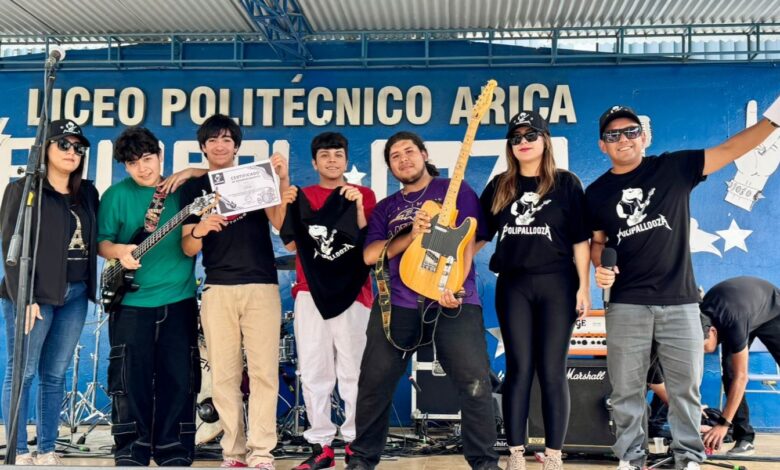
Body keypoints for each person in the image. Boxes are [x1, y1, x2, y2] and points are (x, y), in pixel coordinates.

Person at [587, 96, 780, 470]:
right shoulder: (595, 193)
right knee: (626, 390)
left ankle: (689, 459)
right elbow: (597, 242)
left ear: (644, 137)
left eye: (630, 131)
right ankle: (630, 459)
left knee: (685, 389)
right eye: (613, 135)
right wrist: (600, 267)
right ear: (602, 145)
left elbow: (730, 149)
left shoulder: (674, 168)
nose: (623, 139)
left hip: (681, 302)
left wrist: (773, 121)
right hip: (625, 304)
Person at [347, 131, 500, 470]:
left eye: (409, 151)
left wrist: (453, 281)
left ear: (424, 154)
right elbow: (371, 255)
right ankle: (362, 460)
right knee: (374, 382)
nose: (404, 159)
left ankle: (486, 463)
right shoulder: (387, 208)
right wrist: (410, 235)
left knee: (474, 382)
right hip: (398, 303)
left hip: (453, 299)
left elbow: (474, 238)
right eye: (395, 156)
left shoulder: (456, 189)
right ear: (390, 167)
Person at [478, 111, 591, 470]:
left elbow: (581, 240)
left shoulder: (566, 183)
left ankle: (554, 456)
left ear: (545, 139)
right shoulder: (500, 185)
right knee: (519, 368)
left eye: (531, 135)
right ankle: (515, 454)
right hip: (514, 285)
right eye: (516, 138)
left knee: (552, 370)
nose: (523, 142)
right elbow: (477, 236)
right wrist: (451, 271)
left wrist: (584, 288)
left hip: (559, 284)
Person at [179, 114, 289, 469]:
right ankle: (233, 453)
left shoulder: (254, 177)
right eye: (213, 139)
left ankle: (262, 452)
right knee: (224, 376)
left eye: (227, 139)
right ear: (203, 146)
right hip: (218, 289)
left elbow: (280, 222)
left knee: (263, 374)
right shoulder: (193, 189)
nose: (220, 145)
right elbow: (187, 247)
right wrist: (201, 228)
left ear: (237, 146)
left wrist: (281, 178)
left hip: (261, 286)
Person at [97, 126, 204, 466]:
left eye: (147, 159)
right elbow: (102, 243)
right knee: (130, 380)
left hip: (178, 298)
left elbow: (224, 178)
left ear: (160, 155)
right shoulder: (115, 196)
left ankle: (174, 450)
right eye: (132, 163)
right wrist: (120, 251)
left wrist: (193, 171)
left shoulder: (183, 190)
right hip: (131, 301)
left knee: (179, 379)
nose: (142, 168)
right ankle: (132, 449)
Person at [0, 119, 99, 465]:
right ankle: (17, 449)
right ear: (45, 149)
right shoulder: (22, 190)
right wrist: (24, 297)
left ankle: (46, 448)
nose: (73, 152)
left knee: (55, 374)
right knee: (23, 371)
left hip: (75, 295)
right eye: (64, 144)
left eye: (78, 147)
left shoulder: (87, 193)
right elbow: (11, 249)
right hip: (34, 296)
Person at [279, 132, 376, 469]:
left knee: (354, 370)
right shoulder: (301, 196)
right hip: (310, 292)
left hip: (354, 293)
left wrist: (358, 206)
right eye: (325, 155)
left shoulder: (362, 194)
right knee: (314, 370)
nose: (332, 160)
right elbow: (291, 245)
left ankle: (355, 442)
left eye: (337, 154)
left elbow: (369, 242)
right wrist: (285, 198)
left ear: (346, 160)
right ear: (314, 162)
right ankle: (321, 444)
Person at [700, 276, 780, 456]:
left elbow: (742, 377)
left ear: (713, 331)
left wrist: (723, 424)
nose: (703, 353)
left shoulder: (733, 322)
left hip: (772, 310)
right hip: (742, 309)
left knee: (736, 375)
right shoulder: (699, 317)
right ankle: (745, 438)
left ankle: (732, 428)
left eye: (704, 348)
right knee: (729, 372)